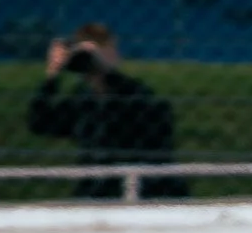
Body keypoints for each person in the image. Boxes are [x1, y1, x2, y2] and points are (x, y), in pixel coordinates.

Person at [27, 23, 187, 199]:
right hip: (96, 188)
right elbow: (39, 124)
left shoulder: (137, 94)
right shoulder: (82, 99)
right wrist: (52, 76)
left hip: (147, 186)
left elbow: (143, 121)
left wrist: (104, 70)